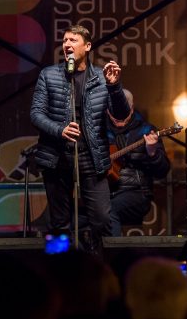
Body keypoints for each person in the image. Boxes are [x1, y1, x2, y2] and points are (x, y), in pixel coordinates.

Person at [30, 24, 130, 248]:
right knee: (60, 223)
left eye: (73, 40)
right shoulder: (49, 75)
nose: (67, 44)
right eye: (65, 40)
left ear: (87, 46)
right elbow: (36, 114)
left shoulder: (102, 77)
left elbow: (121, 115)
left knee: (102, 219)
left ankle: (95, 263)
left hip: (91, 157)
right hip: (57, 157)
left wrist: (114, 87)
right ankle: (63, 267)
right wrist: (60, 130)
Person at [105, 89, 171, 235]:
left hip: (136, 192)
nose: (119, 120)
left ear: (132, 108)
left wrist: (152, 153)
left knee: (109, 210)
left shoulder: (146, 130)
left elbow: (163, 171)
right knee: (77, 218)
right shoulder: (99, 131)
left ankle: (115, 250)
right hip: (104, 192)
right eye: (115, 115)